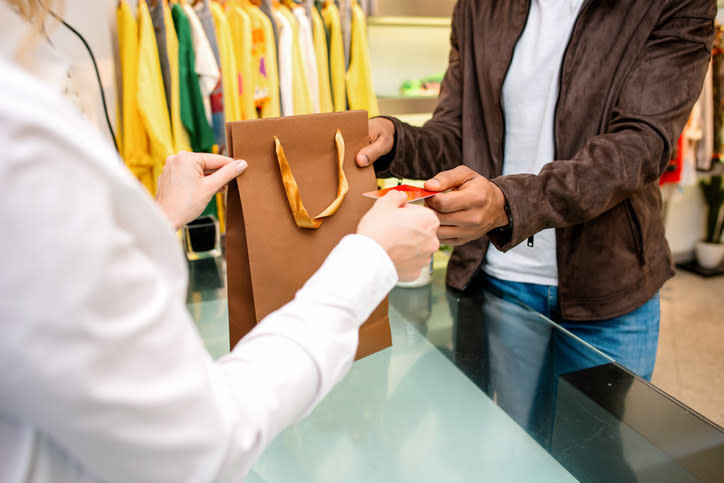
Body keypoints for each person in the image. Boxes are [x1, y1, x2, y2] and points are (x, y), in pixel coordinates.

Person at [0, 1, 439, 481]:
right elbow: (196, 444)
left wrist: (162, 215)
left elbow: (57, 296)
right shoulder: (18, 138)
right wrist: (370, 260)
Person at [356, 0, 716, 380]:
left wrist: (509, 204)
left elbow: (638, 147)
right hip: (497, 280)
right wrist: (397, 141)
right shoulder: (480, 6)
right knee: (506, 437)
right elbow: (456, 133)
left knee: (595, 438)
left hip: (609, 290)